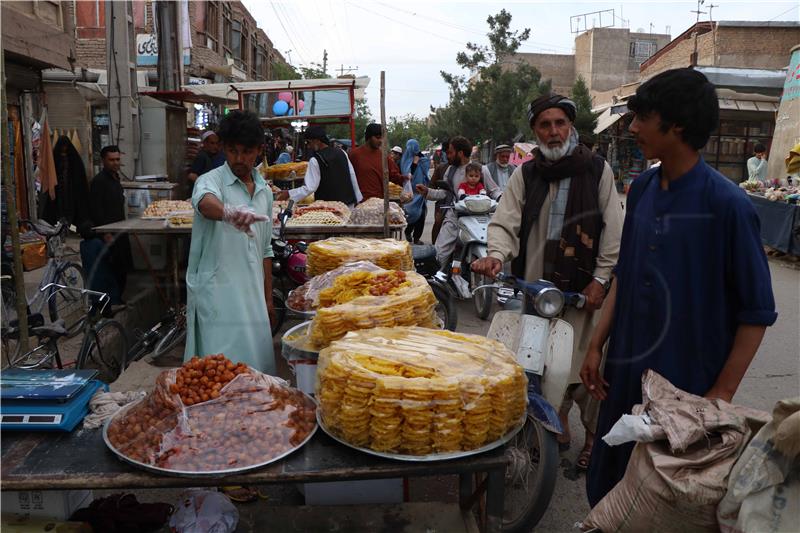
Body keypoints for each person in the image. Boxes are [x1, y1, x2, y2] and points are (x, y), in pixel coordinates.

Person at [579, 68, 777, 507]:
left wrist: (719, 395)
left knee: (664, 501)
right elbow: (625, 275)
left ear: (677, 124)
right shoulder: (644, 186)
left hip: (686, 385)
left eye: (641, 118)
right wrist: (596, 345)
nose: (632, 128)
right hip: (625, 372)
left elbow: (756, 313)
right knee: (609, 482)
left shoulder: (729, 206)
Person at [471, 94, 624, 472]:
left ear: (570, 126)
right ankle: (554, 425)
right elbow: (505, 222)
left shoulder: (597, 170)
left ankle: (592, 438)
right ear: (535, 131)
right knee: (539, 361)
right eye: (545, 125)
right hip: (537, 290)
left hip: (584, 289)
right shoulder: (527, 174)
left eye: (560, 123)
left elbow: (614, 232)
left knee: (587, 366)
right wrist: (496, 254)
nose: (554, 132)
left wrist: (602, 279)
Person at [185, 109, 276, 377]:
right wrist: (228, 213)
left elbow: (266, 249)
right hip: (218, 296)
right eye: (233, 151)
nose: (240, 159)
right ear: (224, 148)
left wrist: (268, 299)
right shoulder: (209, 181)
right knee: (218, 375)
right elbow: (204, 203)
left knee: (256, 377)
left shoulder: (265, 192)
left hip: (253, 297)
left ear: (259, 151)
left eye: (247, 152)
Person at [417, 136, 502, 268]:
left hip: (478, 220)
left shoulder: (480, 170)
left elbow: (494, 190)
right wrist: (427, 192)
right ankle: (438, 282)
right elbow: (445, 194)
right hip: (454, 217)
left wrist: (503, 200)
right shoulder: (450, 171)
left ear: (460, 153)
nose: (448, 155)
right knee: (439, 254)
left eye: (450, 152)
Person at [79, 145, 133, 306]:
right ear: (103, 161)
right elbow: (96, 210)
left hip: (119, 230)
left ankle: (116, 300)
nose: (115, 163)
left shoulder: (115, 178)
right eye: (111, 160)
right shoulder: (99, 182)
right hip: (108, 232)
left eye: (117, 159)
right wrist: (105, 233)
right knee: (113, 269)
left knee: (123, 267)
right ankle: (110, 303)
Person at [276, 126, 362, 207]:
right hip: (348, 204)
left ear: (317, 140)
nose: (308, 146)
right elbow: (352, 176)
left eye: (308, 142)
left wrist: (289, 194)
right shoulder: (341, 152)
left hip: (329, 209)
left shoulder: (315, 160)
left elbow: (310, 188)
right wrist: (358, 199)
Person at [40, 136, 90, 227]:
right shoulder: (55, 157)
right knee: (59, 207)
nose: (64, 148)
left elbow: (79, 174)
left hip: (71, 188)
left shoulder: (73, 158)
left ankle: (72, 227)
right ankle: (60, 225)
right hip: (58, 188)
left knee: (71, 206)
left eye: (65, 146)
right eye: (62, 146)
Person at [348, 123, 405, 201]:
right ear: (369, 137)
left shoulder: (384, 157)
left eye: (382, 138)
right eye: (377, 137)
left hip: (379, 202)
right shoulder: (354, 155)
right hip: (360, 202)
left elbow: (393, 175)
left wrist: (406, 179)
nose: (380, 141)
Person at [400, 139, 430, 244]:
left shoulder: (423, 159)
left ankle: (417, 238)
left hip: (420, 192)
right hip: (410, 194)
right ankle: (408, 231)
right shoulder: (405, 159)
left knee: (421, 215)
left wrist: (420, 161)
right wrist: (414, 163)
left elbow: (427, 172)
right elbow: (407, 175)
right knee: (412, 214)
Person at [430, 139, 450, 244]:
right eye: (447, 152)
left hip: (460, 205)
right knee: (438, 223)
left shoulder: (468, 168)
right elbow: (432, 185)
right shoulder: (441, 168)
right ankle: (434, 248)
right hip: (442, 204)